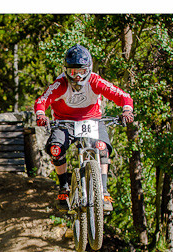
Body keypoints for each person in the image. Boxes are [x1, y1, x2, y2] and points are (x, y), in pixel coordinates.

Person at [34, 45, 135, 211]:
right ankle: (64, 188)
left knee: (102, 148)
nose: (78, 77)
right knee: (55, 149)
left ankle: (103, 191)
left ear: (89, 69)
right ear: (66, 71)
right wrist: (40, 115)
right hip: (64, 122)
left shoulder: (95, 81)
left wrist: (127, 111)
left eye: (81, 71)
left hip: (92, 120)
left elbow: (122, 96)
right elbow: (42, 100)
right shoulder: (60, 84)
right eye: (73, 72)